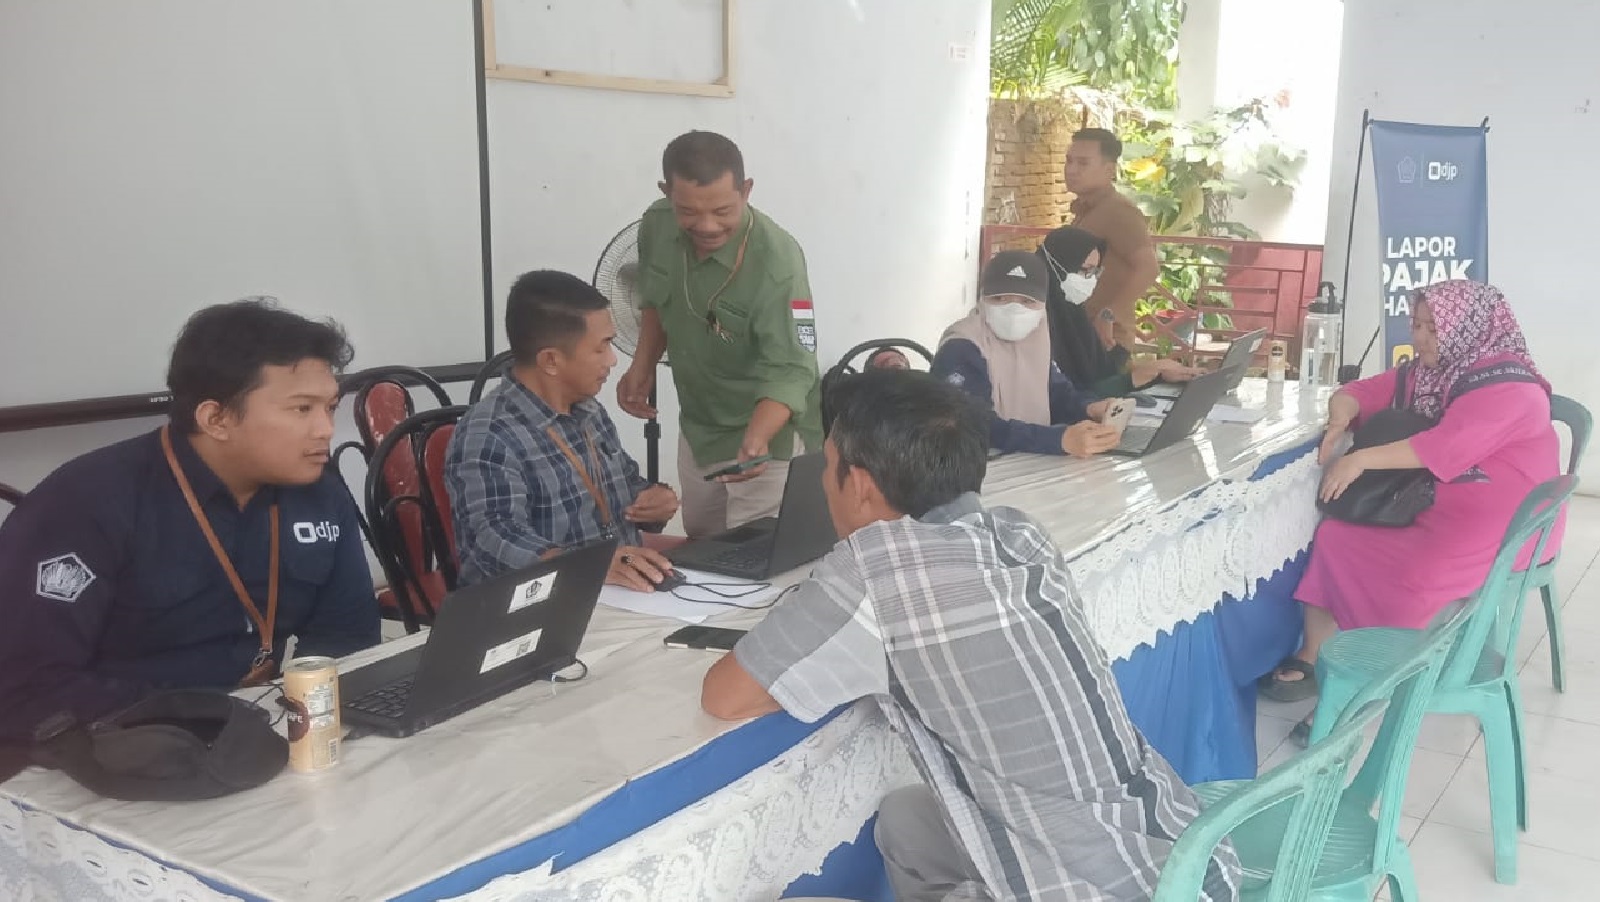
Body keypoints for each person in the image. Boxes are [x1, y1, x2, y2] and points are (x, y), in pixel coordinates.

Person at [699, 368, 1239, 902]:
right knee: (907, 818)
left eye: (828, 465)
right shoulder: (1019, 534)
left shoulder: (875, 572)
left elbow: (725, 696)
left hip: (1088, 891)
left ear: (860, 486)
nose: (823, 482)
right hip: (1185, 865)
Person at [0, 299, 380, 742]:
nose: (325, 429)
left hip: (253, 735)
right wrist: (204, 717)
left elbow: (348, 638)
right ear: (216, 418)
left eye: (330, 407)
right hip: (114, 741)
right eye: (302, 409)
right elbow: (26, 687)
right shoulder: (86, 503)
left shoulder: (320, 494)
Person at [1261, 281, 1564, 720]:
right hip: (1436, 500)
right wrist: (1341, 416)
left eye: (1434, 329)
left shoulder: (1509, 388)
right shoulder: (1433, 372)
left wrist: (1360, 459)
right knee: (1337, 536)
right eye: (1417, 325)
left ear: (1468, 330)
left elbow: (1446, 447)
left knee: (1416, 572)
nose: (1420, 338)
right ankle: (1314, 654)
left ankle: (1380, 681)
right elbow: (1363, 391)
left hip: (1505, 523)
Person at [616, 130, 823, 538]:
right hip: (700, 427)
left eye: (723, 211)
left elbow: (792, 369)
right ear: (666, 194)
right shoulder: (656, 223)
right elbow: (654, 299)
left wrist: (757, 439)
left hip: (766, 438)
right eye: (688, 212)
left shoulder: (778, 262)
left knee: (755, 553)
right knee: (702, 544)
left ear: (746, 191)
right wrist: (642, 366)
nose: (707, 226)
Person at [446, 270, 680, 593]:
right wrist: (589, 567)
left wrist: (655, 500)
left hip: (617, 593)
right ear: (551, 361)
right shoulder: (490, 434)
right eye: (601, 347)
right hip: (539, 607)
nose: (613, 360)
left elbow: (627, 486)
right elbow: (495, 540)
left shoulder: (589, 411)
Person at [931, 250, 1126, 458]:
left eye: (1027, 301)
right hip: (974, 467)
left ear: (1043, 306)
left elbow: (1058, 394)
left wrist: (1089, 408)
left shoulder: (1036, 340)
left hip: (1028, 465)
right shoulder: (962, 346)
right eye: (999, 298)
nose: (1014, 310)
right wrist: (1058, 440)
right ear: (982, 299)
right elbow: (970, 423)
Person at [1039, 225, 1200, 395]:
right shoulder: (1039, 321)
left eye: (1095, 271)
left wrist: (1158, 374)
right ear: (1059, 265)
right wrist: (1138, 377)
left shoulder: (1072, 313)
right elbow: (1067, 399)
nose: (1090, 279)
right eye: (1085, 270)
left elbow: (1100, 376)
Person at [1064, 127, 1162, 351]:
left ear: (1109, 169)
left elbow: (1148, 269)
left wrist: (1108, 314)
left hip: (1106, 339)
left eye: (1083, 163)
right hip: (1080, 334)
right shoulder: (1087, 210)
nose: (1071, 170)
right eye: (1069, 161)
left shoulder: (1119, 211)